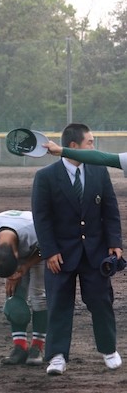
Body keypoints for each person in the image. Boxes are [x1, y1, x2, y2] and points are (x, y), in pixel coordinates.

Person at [32, 123, 122, 375]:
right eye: (90, 142)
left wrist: (115, 243)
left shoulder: (99, 172)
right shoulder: (45, 177)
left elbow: (110, 210)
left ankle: (108, 349)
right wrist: (49, 251)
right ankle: (57, 356)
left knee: (101, 302)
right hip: (60, 255)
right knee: (59, 304)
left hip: (95, 252)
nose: (94, 146)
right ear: (74, 146)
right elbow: (42, 218)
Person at [0, 210, 47, 366]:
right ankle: (20, 347)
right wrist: (11, 276)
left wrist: (26, 265)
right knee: (13, 295)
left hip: (39, 248)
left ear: (16, 254)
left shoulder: (35, 230)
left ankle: (37, 346)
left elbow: (47, 248)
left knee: (39, 296)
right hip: (13, 236)